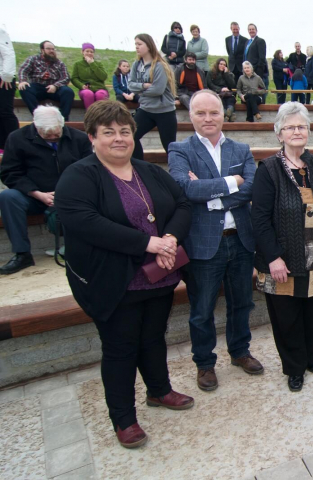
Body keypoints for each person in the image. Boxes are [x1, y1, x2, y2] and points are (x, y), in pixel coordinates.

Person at [55, 100, 194, 448]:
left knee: (153, 337)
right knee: (120, 348)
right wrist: (150, 245)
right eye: (109, 132)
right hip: (114, 281)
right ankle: (124, 418)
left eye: (124, 131)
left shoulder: (147, 171)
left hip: (157, 276)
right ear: (92, 137)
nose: (119, 138)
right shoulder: (80, 175)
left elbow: (182, 205)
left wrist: (170, 240)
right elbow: (85, 222)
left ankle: (159, 390)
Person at [168, 90, 264, 392]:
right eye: (200, 113)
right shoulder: (179, 150)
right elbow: (184, 189)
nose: (208, 118)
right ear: (191, 116)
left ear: (223, 114)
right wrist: (230, 184)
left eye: (213, 112)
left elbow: (251, 189)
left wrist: (208, 193)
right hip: (204, 243)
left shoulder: (241, 149)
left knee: (242, 303)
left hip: (240, 240)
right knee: (202, 308)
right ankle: (205, 363)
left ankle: (240, 351)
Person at [252, 102, 313, 392]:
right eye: (289, 127)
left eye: (301, 126)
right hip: (284, 259)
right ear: (279, 133)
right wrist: (273, 258)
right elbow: (260, 219)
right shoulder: (268, 169)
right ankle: (293, 367)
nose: (296, 131)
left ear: (309, 131)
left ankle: (310, 356)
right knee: (286, 318)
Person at [0, 105, 91, 274]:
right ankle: (22, 254)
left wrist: (67, 193)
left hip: (70, 196)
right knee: (8, 197)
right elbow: (10, 173)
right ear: (36, 126)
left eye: (56, 136)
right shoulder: (16, 138)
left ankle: (80, 247)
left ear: (62, 123)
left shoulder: (79, 138)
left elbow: (90, 170)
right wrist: (37, 194)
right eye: (47, 136)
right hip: (33, 196)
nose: (52, 139)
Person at [128, 34, 177, 160]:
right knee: (131, 136)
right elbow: (130, 85)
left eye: (139, 44)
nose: (137, 47)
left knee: (170, 146)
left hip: (165, 111)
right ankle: (139, 168)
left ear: (148, 46)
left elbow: (157, 90)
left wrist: (139, 91)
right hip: (146, 109)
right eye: (136, 44)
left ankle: (179, 173)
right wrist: (144, 85)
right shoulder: (136, 65)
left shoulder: (160, 65)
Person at [17, 41, 74, 121]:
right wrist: (22, 81)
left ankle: (63, 119)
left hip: (54, 88)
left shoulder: (59, 63)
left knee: (68, 92)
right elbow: (23, 70)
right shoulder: (33, 59)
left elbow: (66, 77)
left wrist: (56, 85)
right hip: (37, 86)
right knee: (24, 88)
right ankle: (38, 117)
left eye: (53, 49)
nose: (51, 51)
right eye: (48, 49)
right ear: (42, 50)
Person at [70, 42, 109, 109]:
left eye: (91, 52)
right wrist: (81, 85)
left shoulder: (98, 64)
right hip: (85, 89)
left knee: (100, 95)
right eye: (87, 51)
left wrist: (92, 64)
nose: (89, 53)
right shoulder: (78, 64)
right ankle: (90, 115)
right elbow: (74, 78)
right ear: (82, 52)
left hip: (99, 88)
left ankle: (101, 116)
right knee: (88, 94)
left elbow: (103, 77)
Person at [0, 27, 19, 154]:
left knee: (5, 112)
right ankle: (2, 146)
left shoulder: (1, 33)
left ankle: (16, 145)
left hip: (3, 79)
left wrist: (6, 75)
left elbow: (8, 53)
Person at [245, 24, 269, 103]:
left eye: (253, 29)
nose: (251, 31)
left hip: (257, 71)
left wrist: (257, 71)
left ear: (256, 30)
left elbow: (262, 58)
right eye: (249, 29)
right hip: (248, 71)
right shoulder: (247, 42)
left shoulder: (260, 41)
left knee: (259, 91)